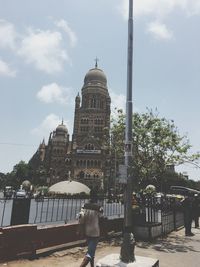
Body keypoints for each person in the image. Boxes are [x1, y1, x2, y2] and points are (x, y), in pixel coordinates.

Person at [78, 190, 103, 267]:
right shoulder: (99, 207)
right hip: (95, 232)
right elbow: (101, 219)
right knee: (90, 253)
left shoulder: (84, 206)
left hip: (87, 231)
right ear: (96, 197)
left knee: (91, 250)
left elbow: (81, 218)